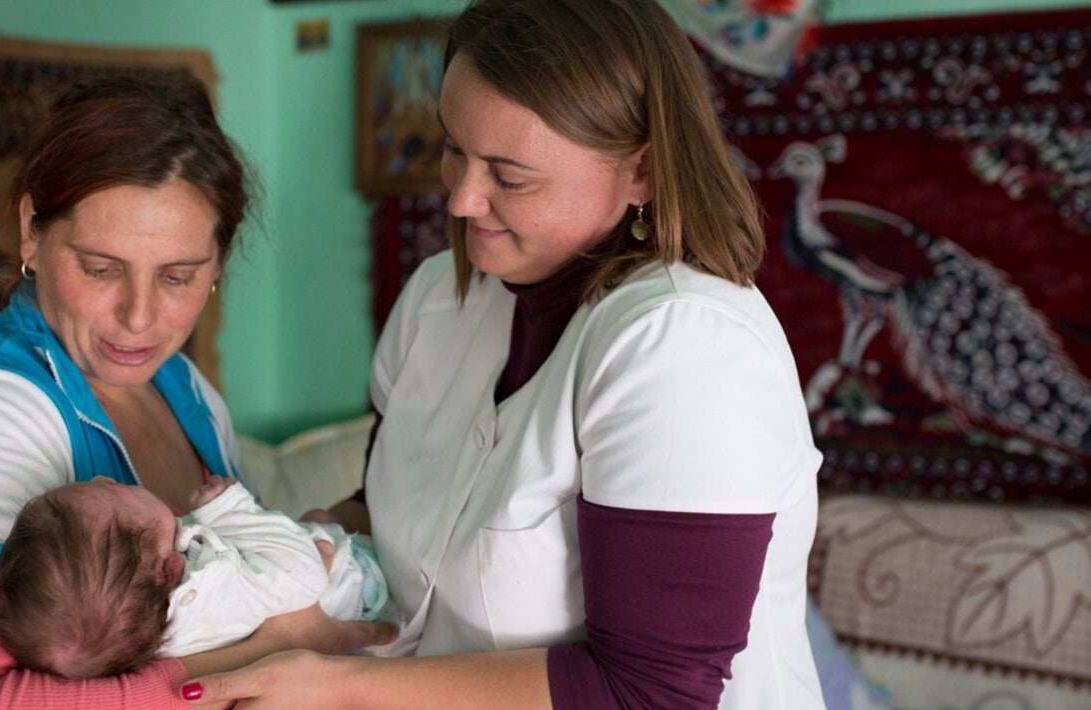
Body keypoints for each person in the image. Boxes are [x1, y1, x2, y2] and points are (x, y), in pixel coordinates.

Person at [181, 0, 825, 707]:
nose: (460, 200)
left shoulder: (684, 348)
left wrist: (341, 685)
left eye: (509, 177)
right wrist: (300, 554)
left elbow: (652, 692)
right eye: (453, 149)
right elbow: (395, 512)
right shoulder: (439, 300)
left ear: (641, 169)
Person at [0, 75, 393, 708]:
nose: (139, 320)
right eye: (101, 268)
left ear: (218, 262)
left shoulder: (182, 389)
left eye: (178, 276)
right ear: (33, 230)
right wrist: (275, 648)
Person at [0, 475, 391, 678]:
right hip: (366, 589)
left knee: (318, 522)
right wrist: (229, 509)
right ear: (169, 569)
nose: (102, 478)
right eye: (119, 492)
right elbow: (305, 577)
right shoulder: (208, 593)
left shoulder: (144, 616)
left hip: (318, 582)